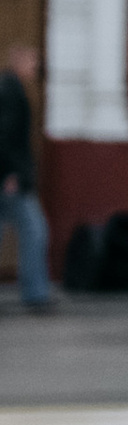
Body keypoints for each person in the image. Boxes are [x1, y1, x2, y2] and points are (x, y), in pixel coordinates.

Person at [0, 41, 53, 314]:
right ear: (19, 61)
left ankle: (36, 292)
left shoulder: (12, 88)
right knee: (35, 231)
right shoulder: (10, 91)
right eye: (33, 62)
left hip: (9, 176)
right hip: (11, 179)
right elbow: (5, 136)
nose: (36, 68)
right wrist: (11, 173)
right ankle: (36, 294)